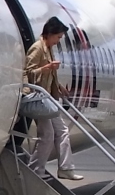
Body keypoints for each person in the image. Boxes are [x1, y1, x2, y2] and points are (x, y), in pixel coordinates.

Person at [25, 17, 82, 181]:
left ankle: (65, 168)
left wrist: (58, 87)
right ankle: (36, 170)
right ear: (50, 34)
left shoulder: (48, 48)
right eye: (58, 37)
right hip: (39, 100)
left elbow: (48, 76)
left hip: (48, 98)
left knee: (62, 131)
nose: (59, 41)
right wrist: (47, 67)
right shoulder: (37, 49)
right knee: (48, 135)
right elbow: (28, 73)